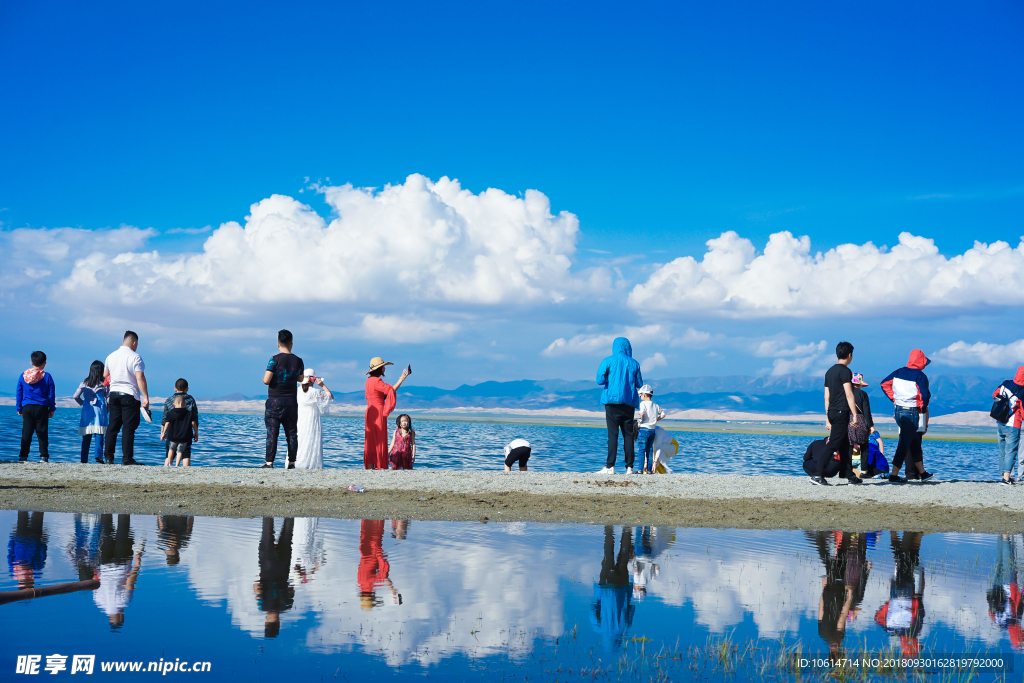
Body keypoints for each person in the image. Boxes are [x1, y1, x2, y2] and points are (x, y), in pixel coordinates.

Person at [881, 350, 933, 483]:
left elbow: (884, 384)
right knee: (903, 444)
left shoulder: (898, 372)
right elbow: (925, 395)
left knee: (914, 441)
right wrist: (921, 407)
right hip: (911, 412)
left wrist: (894, 399)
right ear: (921, 361)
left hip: (898, 411)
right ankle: (893, 475)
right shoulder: (920, 376)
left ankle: (923, 473)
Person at [596, 337, 643, 475]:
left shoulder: (608, 361)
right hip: (628, 403)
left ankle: (610, 466)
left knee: (613, 435)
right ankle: (630, 467)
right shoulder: (634, 363)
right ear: (628, 348)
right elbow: (639, 383)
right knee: (628, 435)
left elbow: (599, 379)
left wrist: (609, 379)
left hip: (611, 402)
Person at [874, 531, 926, 658]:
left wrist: (918, 597)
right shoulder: (892, 631)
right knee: (903, 561)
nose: (918, 643)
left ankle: (906, 533)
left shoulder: (913, 631)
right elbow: (878, 618)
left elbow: (919, 611)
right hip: (895, 594)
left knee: (904, 560)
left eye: (916, 645)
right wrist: (889, 603)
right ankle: (898, 533)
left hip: (908, 593)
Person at [103, 331, 150, 466]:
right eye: (137, 344)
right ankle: (127, 458)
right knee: (128, 428)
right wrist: (145, 396)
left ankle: (108, 457)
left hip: (114, 393)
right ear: (134, 343)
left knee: (113, 426)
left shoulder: (110, 356)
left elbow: (105, 374)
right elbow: (140, 378)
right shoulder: (135, 357)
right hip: (129, 394)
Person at [261, 330, 304, 469]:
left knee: (272, 433)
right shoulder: (298, 361)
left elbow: (266, 380)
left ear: (278, 344)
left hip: (275, 401)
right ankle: (291, 463)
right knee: (291, 433)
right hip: (291, 402)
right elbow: (301, 379)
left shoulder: (275, 359)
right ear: (291, 344)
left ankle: (269, 463)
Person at [590, 525, 636, 651]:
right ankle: (609, 529)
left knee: (624, 557)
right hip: (605, 586)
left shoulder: (625, 628)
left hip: (622, 588)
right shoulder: (599, 628)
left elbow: (631, 609)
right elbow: (593, 610)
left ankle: (627, 529)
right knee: (608, 555)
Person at [823, 342, 862, 485]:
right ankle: (817, 474)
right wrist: (855, 415)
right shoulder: (845, 371)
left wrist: (828, 417)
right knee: (833, 444)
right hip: (841, 412)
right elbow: (849, 394)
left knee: (845, 445)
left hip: (832, 411)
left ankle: (850, 476)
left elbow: (826, 397)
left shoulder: (829, 371)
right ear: (850, 355)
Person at [364, 358, 410, 470]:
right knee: (379, 438)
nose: (385, 368)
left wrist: (384, 397)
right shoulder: (377, 381)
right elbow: (391, 390)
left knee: (370, 440)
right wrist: (402, 378)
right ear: (379, 369)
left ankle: (370, 467)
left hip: (369, 411)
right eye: (383, 366)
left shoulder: (368, 381)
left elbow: (376, 395)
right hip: (377, 412)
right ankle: (379, 466)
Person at [253, 517, 294, 637]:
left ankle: (292, 508)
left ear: (279, 624)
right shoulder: (262, 605)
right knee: (267, 531)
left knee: (287, 533)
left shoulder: (287, 605)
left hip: (283, 566)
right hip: (267, 565)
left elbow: (291, 588)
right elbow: (257, 586)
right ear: (266, 623)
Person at [16, 351, 56, 463]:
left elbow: (19, 392)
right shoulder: (47, 376)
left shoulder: (23, 376)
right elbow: (51, 394)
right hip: (42, 407)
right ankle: (44, 457)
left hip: (27, 407)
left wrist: (19, 407)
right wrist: (52, 408)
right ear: (44, 363)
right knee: (42, 432)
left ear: (31, 362)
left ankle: (23, 457)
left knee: (27, 432)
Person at [357, 519, 400, 609]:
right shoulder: (360, 582)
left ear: (371, 596)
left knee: (376, 525)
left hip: (373, 549)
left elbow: (383, 576)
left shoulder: (368, 583)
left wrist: (392, 590)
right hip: (365, 546)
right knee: (367, 526)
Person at [295, 369, 334, 470]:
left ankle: (296, 462)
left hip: (300, 418)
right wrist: (322, 385)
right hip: (312, 419)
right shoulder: (316, 392)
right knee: (312, 440)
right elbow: (330, 396)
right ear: (313, 379)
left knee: (299, 440)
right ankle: (310, 465)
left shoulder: (297, 391)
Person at [993, 367, 1024, 486]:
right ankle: (1006, 479)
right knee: (1011, 451)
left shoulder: (1006, 383)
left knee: (1002, 451)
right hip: (1013, 424)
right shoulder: (1022, 391)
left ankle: (1004, 476)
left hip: (1000, 422)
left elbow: (994, 395)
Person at [74, 361, 108, 464]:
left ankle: (84, 459)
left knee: (86, 434)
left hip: (87, 410)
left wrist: (83, 403)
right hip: (100, 410)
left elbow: (75, 396)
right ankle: (99, 458)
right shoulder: (104, 383)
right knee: (99, 433)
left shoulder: (84, 382)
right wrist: (108, 410)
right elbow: (109, 398)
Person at [849, 373, 880, 477]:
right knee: (864, 446)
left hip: (847, 421)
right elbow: (867, 411)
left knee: (848, 446)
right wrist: (871, 425)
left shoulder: (845, 393)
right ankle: (863, 472)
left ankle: (847, 471)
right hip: (861, 420)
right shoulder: (863, 394)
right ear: (860, 384)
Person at [7, 511, 48, 590]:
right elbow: (42, 554)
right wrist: (43, 542)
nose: (25, 580)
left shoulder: (14, 571)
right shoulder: (36, 570)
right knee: (38, 515)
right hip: (34, 539)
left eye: (23, 583)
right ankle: (39, 503)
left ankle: (24, 504)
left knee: (22, 514)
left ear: (19, 582)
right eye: (28, 583)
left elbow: (10, 555)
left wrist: (12, 539)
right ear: (32, 582)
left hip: (20, 539)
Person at [635, 385, 665, 474]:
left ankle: (640, 470)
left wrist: (639, 424)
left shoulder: (642, 404)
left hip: (644, 429)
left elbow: (642, 415)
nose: (639, 396)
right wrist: (654, 420)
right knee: (650, 450)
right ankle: (648, 470)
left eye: (640, 394)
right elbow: (663, 414)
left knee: (642, 450)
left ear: (644, 394)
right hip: (652, 430)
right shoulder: (656, 405)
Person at [161, 378, 199, 448]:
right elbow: (194, 417)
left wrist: (162, 432)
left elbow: (165, 418)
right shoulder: (191, 400)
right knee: (186, 454)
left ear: (175, 389)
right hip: (186, 433)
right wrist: (196, 433)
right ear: (187, 389)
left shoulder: (169, 400)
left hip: (171, 433)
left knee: (169, 454)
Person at [160, 396, 197, 467]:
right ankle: (177, 465)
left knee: (171, 450)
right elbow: (193, 423)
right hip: (184, 437)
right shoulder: (189, 413)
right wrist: (196, 433)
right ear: (185, 404)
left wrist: (163, 433)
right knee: (180, 451)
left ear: (174, 404)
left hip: (173, 436)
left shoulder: (170, 413)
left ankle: (170, 464)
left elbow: (167, 423)